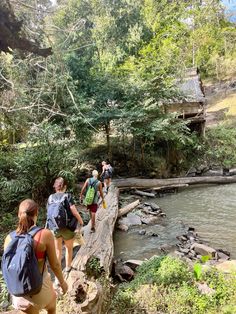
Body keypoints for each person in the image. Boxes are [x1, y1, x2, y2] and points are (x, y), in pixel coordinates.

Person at [3, 199, 68, 314]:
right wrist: (63, 284)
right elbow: (55, 265)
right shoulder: (45, 234)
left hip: (17, 294)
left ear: (19, 215)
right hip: (39, 292)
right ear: (36, 214)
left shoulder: (9, 238)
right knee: (52, 302)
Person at [47, 177, 84, 274]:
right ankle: (68, 268)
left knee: (58, 250)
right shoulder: (67, 196)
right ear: (65, 186)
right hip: (67, 228)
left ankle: (58, 271)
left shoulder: (50, 197)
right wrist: (81, 221)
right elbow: (74, 211)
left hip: (54, 227)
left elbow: (49, 213)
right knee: (68, 248)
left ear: (55, 186)